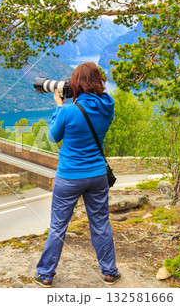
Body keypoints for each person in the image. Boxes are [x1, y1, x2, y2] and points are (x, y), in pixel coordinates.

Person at [34, 62, 120, 288]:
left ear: (76, 84)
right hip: (97, 175)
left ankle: (45, 274)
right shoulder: (108, 107)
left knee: (58, 226)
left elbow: (53, 138)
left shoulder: (69, 110)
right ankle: (110, 272)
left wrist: (59, 107)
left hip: (69, 176)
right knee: (100, 223)